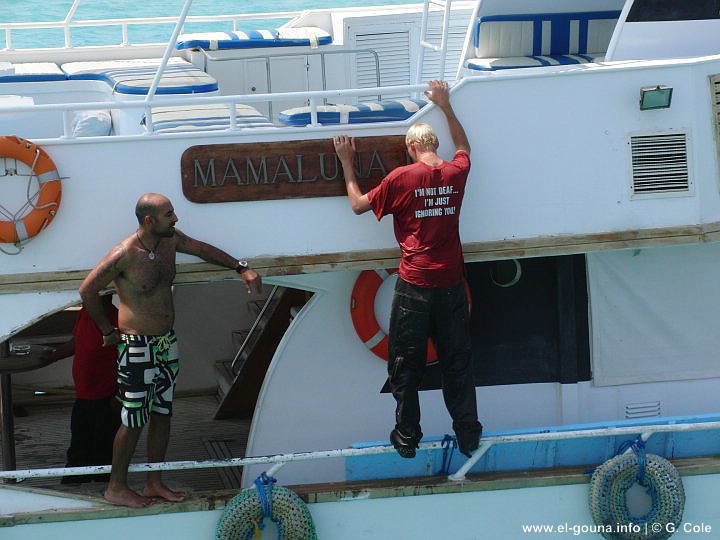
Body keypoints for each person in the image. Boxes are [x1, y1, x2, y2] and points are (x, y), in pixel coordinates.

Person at [79, 193, 262, 508]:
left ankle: (154, 481)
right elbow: (87, 289)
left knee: (163, 413)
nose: (175, 218)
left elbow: (202, 249)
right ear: (149, 220)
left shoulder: (170, 241)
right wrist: (107, 331)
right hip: (137, 346)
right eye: (169, 214)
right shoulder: (124, 253)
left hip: (166, 342)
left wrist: (240, 267)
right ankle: (116, 487)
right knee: (134, 418)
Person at [333, 80, 482, 459]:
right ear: (434, 145)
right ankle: (467, 435)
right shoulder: (456, 173)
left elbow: (357, 205)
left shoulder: (402, 178)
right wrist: (446, 106)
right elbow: (464, 146)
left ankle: (407, 436)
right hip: (451, 283)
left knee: (404, 365)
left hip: (414, 285)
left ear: (412, 148)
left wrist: (348, 164)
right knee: (457, 364)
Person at [41, 294, 120, 484]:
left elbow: (127, 358)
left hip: (107, 398)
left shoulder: (117, 320)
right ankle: (75, 484)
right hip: (84, 397)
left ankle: (103, 488)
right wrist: (54, 355)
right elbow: (77, 341)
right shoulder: (86, 313)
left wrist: (120, 396)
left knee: (104, 448)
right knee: (79, 445)